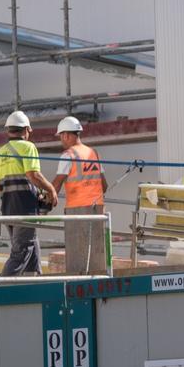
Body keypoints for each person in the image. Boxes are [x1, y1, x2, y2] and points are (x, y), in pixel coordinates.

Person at [0, 111, 58, 276]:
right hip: (25, 209)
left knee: (31, 246)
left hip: (8, 209)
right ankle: (1, 288)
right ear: (26, 129)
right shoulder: (28, 147)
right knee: (21, 251)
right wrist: (51, 189)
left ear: (9, 130)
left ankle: (34, 279)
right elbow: (33, 175)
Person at [51, 116, 110, 275]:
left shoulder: (68, 155)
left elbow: (56, 183)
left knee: (78, 259)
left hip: (77, 211)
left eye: (61, 136)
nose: (61, 140)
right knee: (96, 256)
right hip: (98, 210)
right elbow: (104, 186)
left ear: (66, 135)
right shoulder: (93, 153)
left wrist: (47, 198)